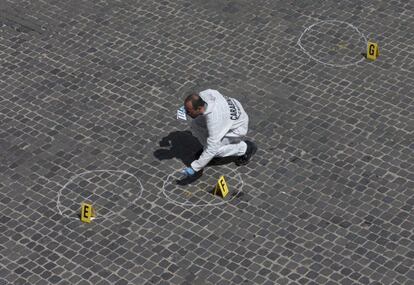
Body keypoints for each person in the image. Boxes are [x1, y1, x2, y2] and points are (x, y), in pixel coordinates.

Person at [182, 89, 257, 177]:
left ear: (199, 108)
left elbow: (213, 148)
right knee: (196, 124)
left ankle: (246, 148)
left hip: (237, 128)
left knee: (216, 150)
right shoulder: (205, 94)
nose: (186, 113)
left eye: (189, 111)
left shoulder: (215, 120)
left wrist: (195, 167)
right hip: (230, 115)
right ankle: (206, 153)